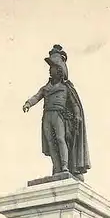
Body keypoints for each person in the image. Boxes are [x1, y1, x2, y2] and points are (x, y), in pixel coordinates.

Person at [23, 45, 90, 180]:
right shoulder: (46, 88)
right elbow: (37, 96)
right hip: (47, 116)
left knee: (60, 139)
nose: (50, 70)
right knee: (51, 142)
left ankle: (65, 166)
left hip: (59, 116)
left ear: (59, 70)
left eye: (52, 67)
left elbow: (75, 104)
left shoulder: (66, 87)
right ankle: (57, 167)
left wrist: (77, 115)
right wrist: (28, 103)